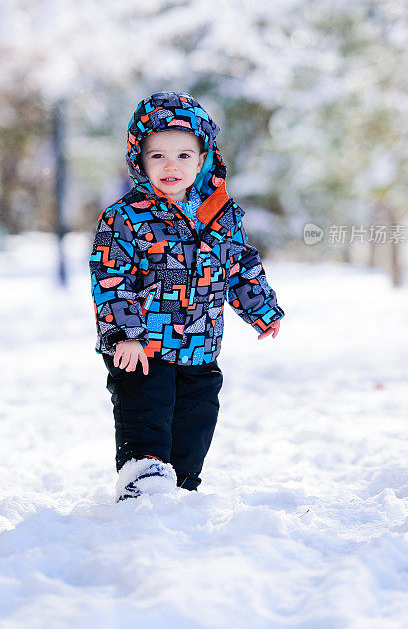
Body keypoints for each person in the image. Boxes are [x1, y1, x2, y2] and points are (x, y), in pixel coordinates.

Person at [89, 91, 284, 501]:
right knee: (146, 415)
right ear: (139, 160)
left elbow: (238, 263)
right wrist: (125, 333)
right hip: (142, 348)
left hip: (200, 345)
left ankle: (181, 487)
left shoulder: (220, 212)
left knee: (196, 421)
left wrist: (261, 307)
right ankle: (143, 480)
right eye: (157, 155)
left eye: (183, 155)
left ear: (203, 158)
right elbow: (110, 277)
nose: (170, 166)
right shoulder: (125, 217)